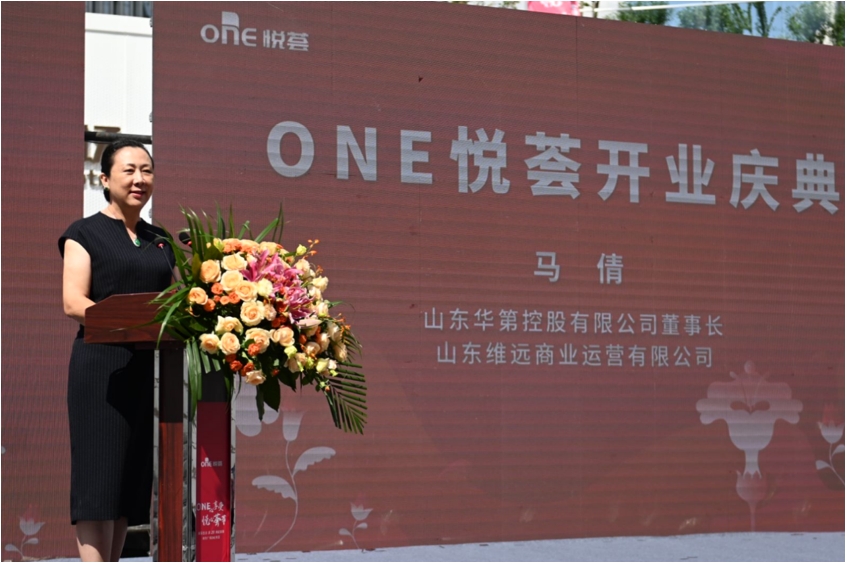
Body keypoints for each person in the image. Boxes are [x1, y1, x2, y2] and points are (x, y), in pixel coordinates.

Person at [59, 139, 174, 562]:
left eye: (147, 170)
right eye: (129, 170)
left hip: (147, 369)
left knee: (128, 481)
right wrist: (130, 322)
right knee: (98, 481)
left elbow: (174, 301)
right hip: (101, 370)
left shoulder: (159, 239)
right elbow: (74, 302)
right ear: (105, 180)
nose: (139, 179)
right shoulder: (84, 232)